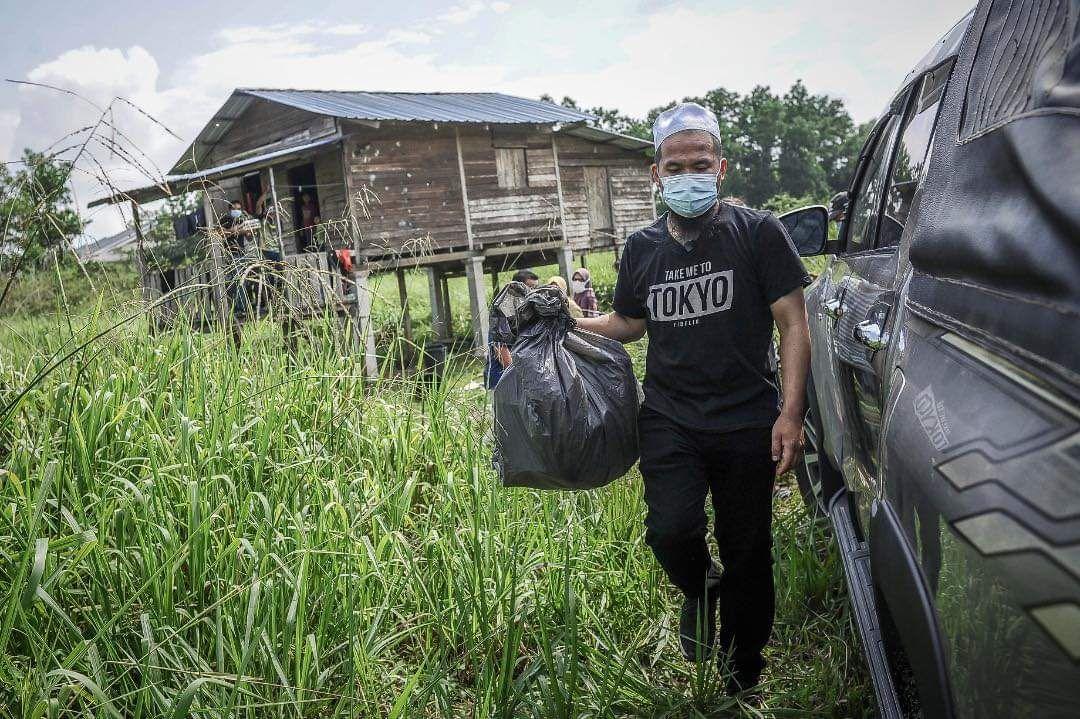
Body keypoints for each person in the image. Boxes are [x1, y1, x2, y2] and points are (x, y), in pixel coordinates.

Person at [576, 102, 811, 694]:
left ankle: (743, 674)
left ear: (721, 166)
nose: (688, 175)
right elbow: (628, 324)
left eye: (699, 163)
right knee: (670, 530)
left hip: (746, 419)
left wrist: (790, 412)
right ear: (657, 174)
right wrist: (568, 322)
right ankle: (699, 587)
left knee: (749, 549)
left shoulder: (758, 233)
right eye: (675, 167)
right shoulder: (642, 249)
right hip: (670, 417)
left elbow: (793, 323)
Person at [485, 268, 539, 389]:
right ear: (516, 288)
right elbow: (501, 351)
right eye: (530, 287)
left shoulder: (525, 312)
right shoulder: (503, 312)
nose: (533, 292)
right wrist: (520, 380)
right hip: (502, 380)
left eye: (536, 288)